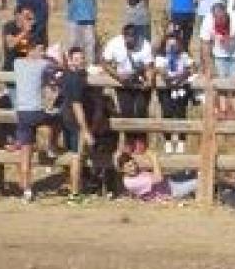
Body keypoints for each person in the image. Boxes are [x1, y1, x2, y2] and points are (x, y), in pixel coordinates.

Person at [61, 46, 118, 197]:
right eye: (76, 59)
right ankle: (74, 193)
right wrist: (85, 130)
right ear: (70, 61)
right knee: (77, 157)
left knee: (76, 156)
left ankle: (75, 190)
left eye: (82, 59)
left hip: (67, 118)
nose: (80, 62)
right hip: (75, 120)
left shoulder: (69, 74)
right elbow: (77, 106)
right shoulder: (76, 80)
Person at [10, 40, 54, 201]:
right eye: (40, 49)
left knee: (25, 154)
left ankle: (27, 190)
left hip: (22, 113)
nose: (42, 52)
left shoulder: (17, 63)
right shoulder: (42, 64)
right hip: (36, 111)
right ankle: (50, 146)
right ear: (32, 50)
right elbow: (58, 65)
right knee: (56, 119)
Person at [101, 24, 155, 152]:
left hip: (140, 81)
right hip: (123, 82)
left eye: (133, 38)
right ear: (123, 36)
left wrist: (149, 80)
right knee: (126, 112)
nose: (130, 40)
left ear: (137, 37)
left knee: (141, 111)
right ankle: (129, 143)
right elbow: (104, 62)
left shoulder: (145, 45)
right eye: (128, 38)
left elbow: (149, 67)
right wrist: (118, 76)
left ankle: (141, 143)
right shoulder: (114, 43)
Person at [155, 34, 196, 155]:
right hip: (166, 89)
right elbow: (163, 73)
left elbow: (192, 68)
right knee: (167, 113)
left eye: (174, 44)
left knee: (181, 113)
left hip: (181, 87)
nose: (172, 46)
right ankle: (168, 141)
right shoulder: (161, 57)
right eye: (169, 44)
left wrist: (181, 77)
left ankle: (181, 141)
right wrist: (179, 77)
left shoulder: (183, 56)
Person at [193, 0, 230, 77]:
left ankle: (218, 71)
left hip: (218, 16)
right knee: (204, 43)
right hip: (203, 14)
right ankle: (204, 70)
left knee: (219, 43)